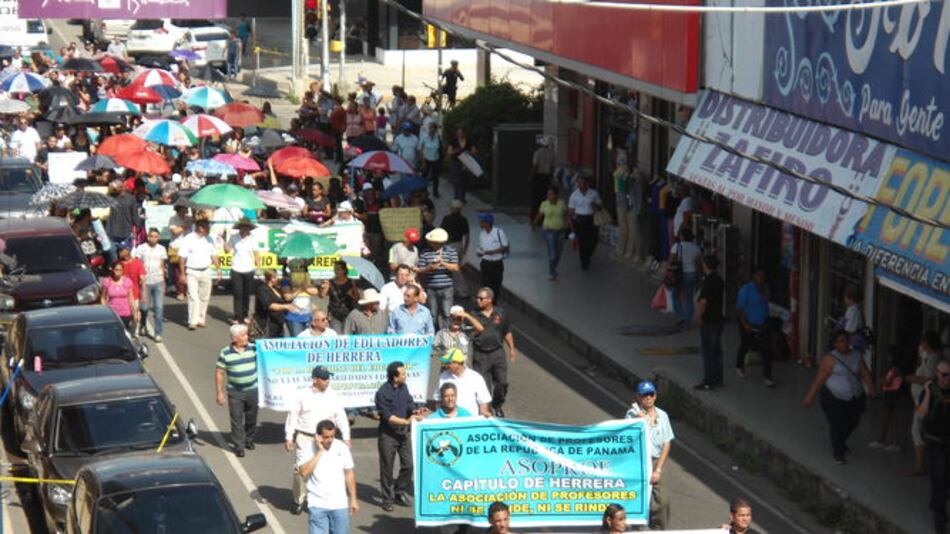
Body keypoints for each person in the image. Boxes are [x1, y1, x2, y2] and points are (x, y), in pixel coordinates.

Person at [285, 366, 351, 515]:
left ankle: (320, 500)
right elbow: (293, 415)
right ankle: (298, 499)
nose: (327, 381)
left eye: (328, 378)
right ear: (315, 379)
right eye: (324, 378)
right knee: (300, 470)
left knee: (325, 469)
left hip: (326, 439)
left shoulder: (333, 396)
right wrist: (289, 436)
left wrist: (346, 437)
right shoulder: (302, 395)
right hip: (305, 437)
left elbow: (341, 416)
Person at [803, 330, 875, 464]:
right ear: (835, 344)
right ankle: (838, 452)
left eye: (846, 340)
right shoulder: (830, 359)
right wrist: (810, 396)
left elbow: (864, 373)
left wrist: (871, 388)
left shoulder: (856, 355)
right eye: (841, 341)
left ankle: (841, 442)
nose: (845, 344)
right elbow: (820, 379)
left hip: (854, 396)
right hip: (833, 397)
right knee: (838, 424)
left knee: (853, 421)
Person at [374, 361, 427, 511]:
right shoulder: (382, 393)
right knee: (387, 469)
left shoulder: (404, 387)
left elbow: (409, 403)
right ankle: (386, 499)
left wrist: (416, 411)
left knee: (409, 464)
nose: (406, 376)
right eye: (403, 374)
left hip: (403, 435)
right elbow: (387, 416)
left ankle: (399, 491)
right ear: (394, 378)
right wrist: (405, 421)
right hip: (388, 436)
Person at [625, 380, 673, 530]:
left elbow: (667, 443)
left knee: (663, 500)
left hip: (655, 461)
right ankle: (636, 528)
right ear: (638, 397)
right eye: (644, 395)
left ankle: (658, 529)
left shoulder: (663, 415)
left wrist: (658, 470)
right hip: (637, 462)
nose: (648, 398)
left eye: (651, 394)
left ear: (655, 396)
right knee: (638, 499)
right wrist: (638, 423)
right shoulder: (631, 414)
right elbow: (628, 439)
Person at [297, 419, 359, 534]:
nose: (330, 440)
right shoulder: (309, 448)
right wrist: (320, 452)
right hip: (317, 504)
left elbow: (349, 473)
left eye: (332, 436)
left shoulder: (342, 447)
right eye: (326, 437)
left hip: (339, 505)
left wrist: (353, 499)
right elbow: (303, 472)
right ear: (318, 436)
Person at [471, 287, 516, 417]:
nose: (477, 300)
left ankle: (498, 404)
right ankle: (487, 411)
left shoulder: (500, 313)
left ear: (490, 300)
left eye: (481, 298)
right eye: (477, 298)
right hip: (480, 355)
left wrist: (512, 349)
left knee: (502, 383)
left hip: (497, 354)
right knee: (483, 387)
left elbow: (507, 332)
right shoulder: (474, 314)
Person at [917, 359, 950, 534]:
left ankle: (937, 503)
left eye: (949, 375)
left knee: (944, 481)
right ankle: (940, 518)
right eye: (944, 374)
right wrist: (928, 391)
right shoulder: (931, 390)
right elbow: (921, 414)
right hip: (935, 442)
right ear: (937, 374)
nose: (946, 378)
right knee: (939, 480)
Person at [216, 324, 258, 458]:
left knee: (251, 418)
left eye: (247, 334)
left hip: (252, 390)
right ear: (235, 338)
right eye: (244, 335)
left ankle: (249, 439)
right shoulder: (225, 353)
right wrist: (219, 392)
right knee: (236, 419)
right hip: (235, 392)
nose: (247, 337)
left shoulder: (254, 348)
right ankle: (239, 445)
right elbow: (220, 372)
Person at [907, 331, 943, 475]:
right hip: (919, 399)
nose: (920, 345)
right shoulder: (927, 357)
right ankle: (922, 463)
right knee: (918, 430)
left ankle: (920, 465)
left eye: (923, 342)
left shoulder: (934, 358)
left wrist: (912, 378)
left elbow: (928, 379)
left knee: (917, 430)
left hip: (925, 400)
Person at [734, 267, 774, 388]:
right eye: (758, 275)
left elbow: (767, 302)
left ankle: (767, 376)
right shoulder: (746, 290)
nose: (761, 278)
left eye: (763, 275)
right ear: (753, 276)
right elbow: (739, 309)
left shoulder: (765, 289)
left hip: (763, 322)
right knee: (746, 344)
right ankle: (739, 366)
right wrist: (745, 324)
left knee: (767, 349)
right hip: (748, 322)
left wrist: (763, 293)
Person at [179, 220, 219, 330]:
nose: (209, 229)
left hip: (206, 270)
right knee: (193, 297)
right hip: (192, 271)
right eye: (207, 227)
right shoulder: (188, 239)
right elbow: (182, 257)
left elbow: (214, 255)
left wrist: (218, 269)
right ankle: (192, 321)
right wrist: (182, 274)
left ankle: (201, 319)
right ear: (200, 228)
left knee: (204, 297)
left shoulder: (209, 239)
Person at [418, 228, 459, 329]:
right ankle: (434, 333)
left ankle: (445, 334)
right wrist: (429, 268)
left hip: (447, 287)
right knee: (432, 314)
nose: (433, 244)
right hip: (431, 287)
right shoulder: (425, 252)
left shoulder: (450, 251)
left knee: (447, 312)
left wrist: (443, 263)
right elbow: (420, 270)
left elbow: (456, 267)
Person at [694, 255, 724, 390]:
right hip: (718, 319)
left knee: (708, 352)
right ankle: (718, 378)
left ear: (705, 265)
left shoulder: (708, 281)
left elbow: (703, 301)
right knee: (716, 351)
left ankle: (708, 380)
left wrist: (699, 317)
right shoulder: (719, 280)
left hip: (709, 320)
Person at [434, 349, 492, 417]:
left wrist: (483, 415)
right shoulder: (443, 376)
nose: (446, 366)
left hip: (469, 421)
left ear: (458, 363)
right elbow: (438, 399)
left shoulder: (476, 377)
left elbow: (483, 402)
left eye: (448, 363)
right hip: (448, 420)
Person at [133, 228, 167, 341]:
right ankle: (143, 324)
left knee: (159, 308)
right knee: (144, 307)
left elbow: (162, 265)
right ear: (148, 237)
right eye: (151, 236)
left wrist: (164, 281)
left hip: (158, 281)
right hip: (145, 282)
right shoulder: (141, 248)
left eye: (155, 236)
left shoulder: (162, 249)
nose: (153, 238)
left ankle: (158, 333)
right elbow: (137, 263)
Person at [225, 218, 260, 324]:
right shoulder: (233, 237)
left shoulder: (253, 238)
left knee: (246, 294)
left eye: (246, 227)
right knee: (237, 293)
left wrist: (258, 266)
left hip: (249, 269)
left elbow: (256, 253)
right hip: (236, 268)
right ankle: (237, 316)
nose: (244, 229)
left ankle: (244, 315)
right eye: (242, 227)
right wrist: (225, 244)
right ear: (239, 228)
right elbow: (227, 251)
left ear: (249, 228)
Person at [532, 186, 568, 280]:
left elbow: (566, 216)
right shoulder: (544, 204)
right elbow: (540, 215)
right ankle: (552, 272)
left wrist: (569, 228)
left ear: (556, 195)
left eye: (551, 194)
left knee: (559, 252)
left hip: (560, 231)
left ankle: (554, 267)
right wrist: (534, 224)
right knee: (552, 253)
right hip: (548, 230)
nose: (549, 196)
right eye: (548, 194)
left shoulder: (562, 203)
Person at [668, 227, 702, 327]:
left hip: (678, 274)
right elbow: (699, 264)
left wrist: (665, 274)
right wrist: (699, 278)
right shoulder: (696, 248)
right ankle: (687, 322)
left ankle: (681, 316)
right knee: (689, 298)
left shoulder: (676, 246)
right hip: (691, 273)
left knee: (675, 296)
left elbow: (670, 261)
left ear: (682, 236)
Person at [568, 176, 602, 271]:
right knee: (582, 241)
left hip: (591, 219)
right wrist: (571, 226)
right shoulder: (574, 195)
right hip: (580, 219)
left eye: (581, 182)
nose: (579, 184)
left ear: (586, 183)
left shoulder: (594, 193)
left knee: (593, 240)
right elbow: (571, 211)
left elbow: (600, 207)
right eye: (578, 183)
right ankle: (584, 261)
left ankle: (589, 253)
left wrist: (594, 205)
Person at [254, 270, 297, 338]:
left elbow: (285, 300)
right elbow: (269, 305)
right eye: (276, 277)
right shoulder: (262, 289)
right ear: (271, 278)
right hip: (267, 324)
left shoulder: (276, 289)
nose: (277, 279)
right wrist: (285, 307)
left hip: (278, 323)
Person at [100, 260, 138, 332]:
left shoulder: (127, 281)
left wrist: (135, 312)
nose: (118, 272)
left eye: (120, 270)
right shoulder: (107, 281)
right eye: (116, 270)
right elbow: (103, 297)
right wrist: (104, 310)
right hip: (112, 314)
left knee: (124, 333)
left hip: (125, 313)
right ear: (113, 270)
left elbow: (131, 298)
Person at [117, 247, 145, 336]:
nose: (123, 254)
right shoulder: (118, 265)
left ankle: (134, 333)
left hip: (135, 295)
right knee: (122, 316)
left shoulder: (137, 263)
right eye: (121, 252)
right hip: (121, 296)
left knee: (135, 316)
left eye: (124, 251)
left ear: (129, 251)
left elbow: (143, 279)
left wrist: (143, 293)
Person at [327, 260, 360, 333]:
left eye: (338, 269)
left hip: (348, 314)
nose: (336, 271)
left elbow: (358, 299)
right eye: (335, 269)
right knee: (336, 337)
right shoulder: (330, 282)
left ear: (344, 270)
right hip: (335, 314)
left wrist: (351, 295)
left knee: (347, 336)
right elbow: (323, 295)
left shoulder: (351, 282)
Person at [530, 137, 555, 220]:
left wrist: (532, 176)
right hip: (547, 177)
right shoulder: (552, 153)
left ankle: (534, 217)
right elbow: (552, 167)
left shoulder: (537, 152)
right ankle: (544, 217)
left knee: (535, 198)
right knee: (545, 198)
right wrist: (551, 178)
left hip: (538, 176)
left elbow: (535, 165)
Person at [447, 128, 475, 201]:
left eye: (461, 133)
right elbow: (449, 152)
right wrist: (455, 151)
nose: (459, 134)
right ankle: (456, 196)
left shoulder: (469, 141)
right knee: (456, 179)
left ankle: (462, 196)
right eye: (458, 133)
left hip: (466, 162)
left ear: (464, 133)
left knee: (464, 179)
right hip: (456, 162)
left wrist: (469, 152)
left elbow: (474, 151)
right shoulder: (453, 141)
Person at [418, 121, 443, 197]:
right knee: (424, 176)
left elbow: (440, 150)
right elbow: (420, 150)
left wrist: (441, 161)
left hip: (435, 159)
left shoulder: (438, 137)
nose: (430, 130)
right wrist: (422, 162)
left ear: (435, 129)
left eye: (432, 128)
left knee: (436, 177)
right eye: (429, 128)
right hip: (426, 159)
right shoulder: (424, 137)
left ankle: (435, 192)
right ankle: (423, 191)